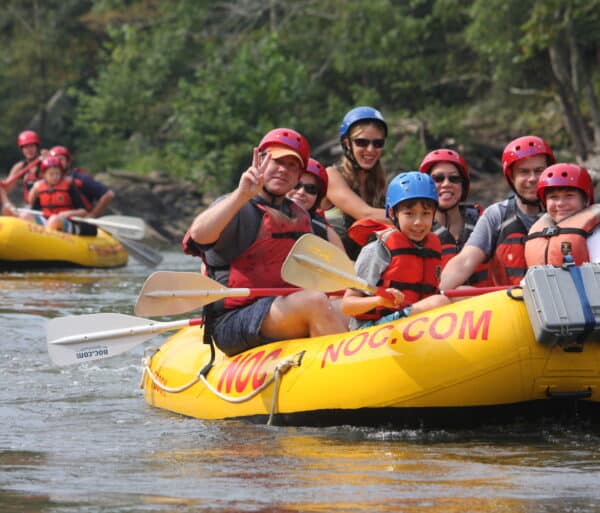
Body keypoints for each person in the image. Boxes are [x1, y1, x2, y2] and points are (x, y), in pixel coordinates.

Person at [182, 128, 348, 356]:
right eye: (277, 161)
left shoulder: (300, 216)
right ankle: (340, 374)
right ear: (260, 161)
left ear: (299, 175)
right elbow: (199, 235)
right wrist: (242, 195)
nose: (283, 170)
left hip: (280, 311)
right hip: (233, 320)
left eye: (292, 166)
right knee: (315, 302)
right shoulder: (236, 205)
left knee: (344, 309)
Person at [439, 135, 556, 291]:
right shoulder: (496, 215)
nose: (532, 178)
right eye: (524, 172)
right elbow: (465, 260)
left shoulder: (566, 210)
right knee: (460, 291)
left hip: (559, 301)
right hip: (512, 305)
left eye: (539, 171)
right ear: (511, 177)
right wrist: (440, 291)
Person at [341, 172, 449, 330]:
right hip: (371, 331)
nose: (418, 222)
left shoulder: (431, 246)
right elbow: (347, 306)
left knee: (461, 296)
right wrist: (379, 300)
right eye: (409, 214)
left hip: (413, 324)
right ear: (392, 214)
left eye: (425, 214)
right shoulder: (378, 249)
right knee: (439, 303)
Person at [324, 106, 390, 259]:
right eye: (362, 142)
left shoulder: (381, 184)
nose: (370, 149)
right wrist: (412, 217)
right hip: (334, 269)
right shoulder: (332, 175)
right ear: (347, 143)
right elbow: (364, 213)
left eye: (378, 143)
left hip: (368, 273)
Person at [419, 148, 489, 286]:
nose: (446, 184)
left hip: (487, 304)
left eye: (454, 178)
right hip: (440, 305)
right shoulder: (415, 229)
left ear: (463, 185)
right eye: (438, 179)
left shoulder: (484, 221)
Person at [525, 163, 600, 266]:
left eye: (569, 196)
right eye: (553, 197)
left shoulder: (596, 235)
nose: (560, 203)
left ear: (586, 200)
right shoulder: (538, 233)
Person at [27, 156, 96, 235]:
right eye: (51, 174)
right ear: (44, 175)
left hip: (66, 222)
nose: (55, 177)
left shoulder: (69, 186)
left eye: (57, 173)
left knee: (54, 219)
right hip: (48, 221)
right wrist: (34, 189)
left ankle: (45, 241)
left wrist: (67, 214)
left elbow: (83, 211)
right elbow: (31, 203)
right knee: (26, 216)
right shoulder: (40, 187)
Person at [286, 158, 344, 250]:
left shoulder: (324, 231)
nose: (301, 192)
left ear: (318, 198)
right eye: (296, 185)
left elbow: (343, 262)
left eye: (311, 189)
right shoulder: (263, 212)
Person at [49, 145, 115, 217]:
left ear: (68, 162)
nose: (57, 162)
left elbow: (108, 194)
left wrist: (93, 214)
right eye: (54, 159)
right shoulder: (49, 180)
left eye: (61, 159)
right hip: (58, 220)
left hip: (79, 222)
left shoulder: (80, 178)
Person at [5, 130, 45, 202]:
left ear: (37, 147)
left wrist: (50, 159)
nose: (29, 150)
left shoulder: (45, 163)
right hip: (29, 207)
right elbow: (6, 188)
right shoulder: (19, 167)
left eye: (32, 146)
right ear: (22, 149)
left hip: (47, 206)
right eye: (26, 147)